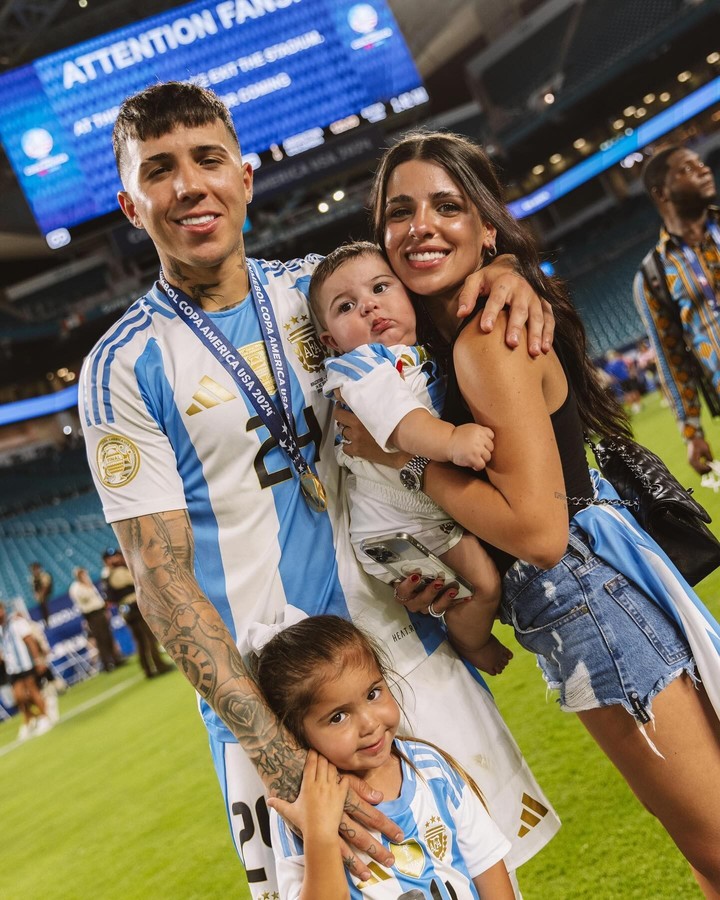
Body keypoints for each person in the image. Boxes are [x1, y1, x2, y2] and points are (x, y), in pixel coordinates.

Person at [78, 81, 558, 897]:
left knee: (485, 879)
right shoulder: (121, 366)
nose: (190, 185)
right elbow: (161, 581)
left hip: (404, 657)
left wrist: (507, 266)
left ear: (246, 176)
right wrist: (287, 764)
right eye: (160, 170)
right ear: (131, 203)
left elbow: (442, 272)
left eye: (208, 159)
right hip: (280, 715)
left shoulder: (318, 287)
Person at [353, 130, 720, 891]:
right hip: (600, 594)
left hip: (590, 600)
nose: (421, 225)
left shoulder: (485, 339)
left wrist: (406, 459)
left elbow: (541, 534)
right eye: (400, 211)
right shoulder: (467, 326)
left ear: (487, 229)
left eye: (447, 206)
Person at [310, 241, 511, 674]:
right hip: (393, 522)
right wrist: (453, 440)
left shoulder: (423, 354)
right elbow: (400, 421)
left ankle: (469, 635)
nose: (368, 307)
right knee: (484, 587)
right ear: (331, 340)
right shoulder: (358, 367)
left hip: (420, 509)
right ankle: (473, 644)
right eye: (346, 307)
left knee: (484, 582)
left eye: (381, 288)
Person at [251, 613, 513, 899]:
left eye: (373, 694)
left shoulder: (431, 767)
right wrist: (319, 831)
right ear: (296, 732)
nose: (370, 724)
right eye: (338, 717)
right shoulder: (296, 809)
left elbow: (488, 868)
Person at [633, 144, 720, 474]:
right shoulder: (652, 276)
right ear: (661, 193)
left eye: (700, 163)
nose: (703, 169)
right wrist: (691, 432)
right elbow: (671, 356)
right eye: (686, 169)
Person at [101, 549, 172, 679]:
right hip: (133, 606)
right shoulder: (112, 573)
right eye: (112, 557)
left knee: (142, 639)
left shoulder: (113, 572)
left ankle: (148, 668)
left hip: (129, 607)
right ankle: (158, 665)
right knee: (147, 637)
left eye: (117, 556)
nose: (116, 559)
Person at [0, 601, 53, 740]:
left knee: (33, 689)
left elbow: (30, 641)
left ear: (2, 610)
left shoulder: (16, 622)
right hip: (12, 667)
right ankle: (31, 717)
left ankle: (45, 717)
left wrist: (38, 660)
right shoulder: (0, 629)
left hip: (26, 663)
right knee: (18, 697)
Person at [69, 567, 125, 673]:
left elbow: (97, 598)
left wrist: (105, 611)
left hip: (100, 612)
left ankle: (116, 658)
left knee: (108, 636)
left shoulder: (88, 583)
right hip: (92, 615)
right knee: (101, 639)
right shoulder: (76, 587)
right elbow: (84, 599)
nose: (84, 576)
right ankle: (106, 662)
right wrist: (86, 585)